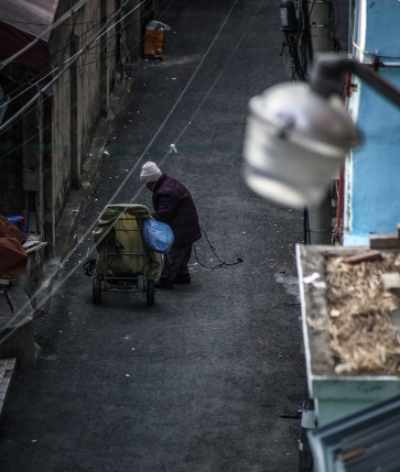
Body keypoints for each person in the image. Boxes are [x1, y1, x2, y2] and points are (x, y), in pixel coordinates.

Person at [140, 161, 201, 289]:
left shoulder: (166, 191)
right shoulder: (168, 183)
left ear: (152, 182)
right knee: (182, 253)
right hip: (187, 225)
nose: (147, 187)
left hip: (181, 228)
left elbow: (164, 214)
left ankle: (167, 280)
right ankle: (182, 275)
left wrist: (146, 218)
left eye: (147, 184)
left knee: (173, 253)